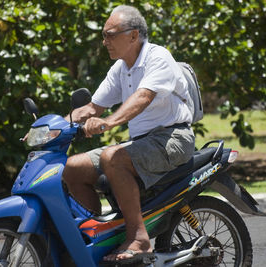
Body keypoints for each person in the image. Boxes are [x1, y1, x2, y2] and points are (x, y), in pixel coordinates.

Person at [62, 5, 195, 263]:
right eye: (103, 35)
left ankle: (139, 239)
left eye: (110, 34)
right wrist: (54, 127)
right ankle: (95, 238)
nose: (105, 42)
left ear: (133, 36)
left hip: (174, 139)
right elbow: (92, 107)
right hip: (142, 142)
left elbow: (143, 97)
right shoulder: (121, 68)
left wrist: (109, 123)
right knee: (71, 168)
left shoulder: (158, 57)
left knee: (113, 157)